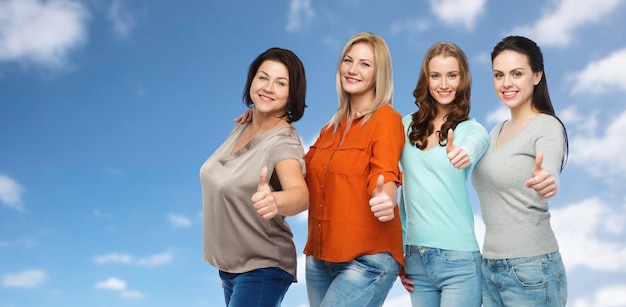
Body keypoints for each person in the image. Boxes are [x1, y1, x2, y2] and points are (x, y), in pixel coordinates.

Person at [200, 47, 309, 307]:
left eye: (280, 83)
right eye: (263, 77)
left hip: (263, 267)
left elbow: (300, 195)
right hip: (231, 268)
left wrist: (276, 201)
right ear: (251, 80)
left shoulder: (283, 143)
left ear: (292, 93)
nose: (268, 88)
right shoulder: (243, 125)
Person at [303, 32, 405, 307]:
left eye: (365, 64)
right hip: (319, 257)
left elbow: (384, 173)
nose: (353, 69)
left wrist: (387, 197)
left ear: (378, 73)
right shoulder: (330, 128)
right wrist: (264, 119)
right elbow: (302, 172)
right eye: (348, 60)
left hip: (368, 259)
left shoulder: (386, 119)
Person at [471, 35, 569, 307]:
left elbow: (548, 170)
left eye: (517, 73)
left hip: (531, 269)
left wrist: (548, 180)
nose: (506, 83)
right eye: (498, 75)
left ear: (536, 76)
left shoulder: (547, 127)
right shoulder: (495, 132)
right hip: (489, 268)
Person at [397, 42, 488, 307]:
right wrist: (401, 249)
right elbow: (404, 192)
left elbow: (476, 143)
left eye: (452, 75)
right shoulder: (405, 126)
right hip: (415, 258)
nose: (443, 84)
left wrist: (464, 153)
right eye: (436, 75)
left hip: (459, 260)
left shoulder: (471, 130)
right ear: (426, 80)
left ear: (463, 80)